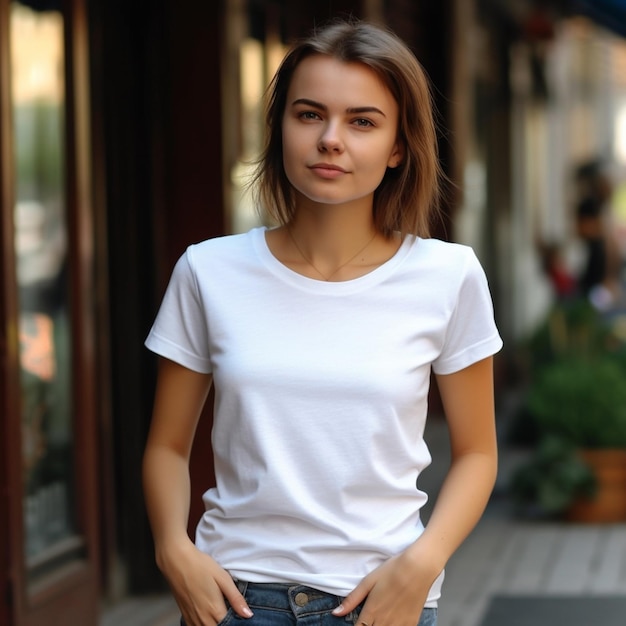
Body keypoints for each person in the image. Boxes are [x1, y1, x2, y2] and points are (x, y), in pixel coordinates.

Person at [143, 19, 503, 626]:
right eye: (309, 115)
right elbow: (166, 447)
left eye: (362, 121)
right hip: (234, 601)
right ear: (280, 128)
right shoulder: (209, 271)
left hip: (380, 599)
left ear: (397, 146)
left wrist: (423, 564)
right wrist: (173, 550)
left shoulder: (449, 276)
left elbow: (477, 454)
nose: (330, 139)